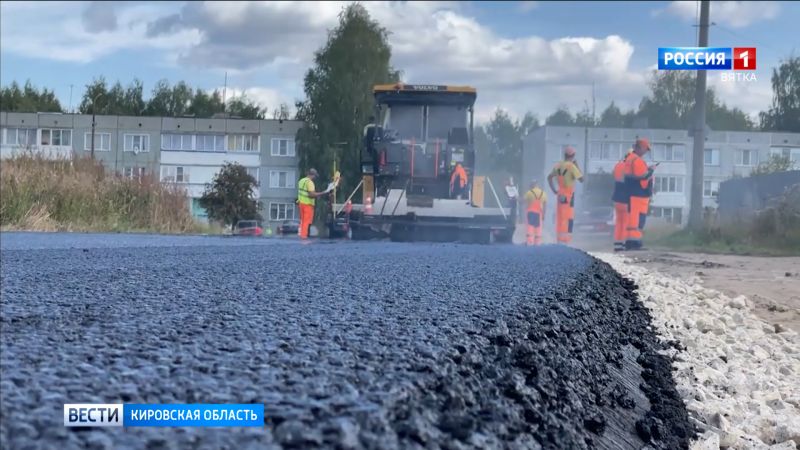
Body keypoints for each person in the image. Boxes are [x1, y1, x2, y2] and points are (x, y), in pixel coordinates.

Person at [623, 138, 656, 250]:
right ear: (640, 147)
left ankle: (632, 242)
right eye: (645, 149)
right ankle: (634, 243)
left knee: (634, 220)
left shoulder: (630, 159)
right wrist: (650, 172)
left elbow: (634, 175)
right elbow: (641, 176)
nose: (646, 152)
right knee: (637, 220)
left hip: (635, 194)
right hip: (638, 194)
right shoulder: (636, 160)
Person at [547, 146, 583, 244]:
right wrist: (577, 165)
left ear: (565, 155)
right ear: (573, 155)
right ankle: (565, 241)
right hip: (569, 196)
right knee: (568, 218)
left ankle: (560, 240)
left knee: (560, 217)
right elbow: (581, 179)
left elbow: (549, 177)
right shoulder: (571, 166)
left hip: (560, 194)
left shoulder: (558, 165)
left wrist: (554, 190)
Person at [296, 168, 328, 239]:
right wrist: (322, 193)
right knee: (306, 221)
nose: (315, 178)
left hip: (301, 203)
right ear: (312, 175)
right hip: (308, 204)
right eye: (315, 176)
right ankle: (304, 236)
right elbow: (311, 195)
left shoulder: (301, 180)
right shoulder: (310, 182)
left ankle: (302, 234)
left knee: (303, 221)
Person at [611, 150, 632, 252]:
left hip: (616, 198)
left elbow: (614, 176)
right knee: (625, 223)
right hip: (625, 199)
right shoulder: (629, 167)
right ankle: (623, 244)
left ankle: (617, 243)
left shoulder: (618, 165)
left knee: (618, 222)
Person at [524, 180, 547, 246]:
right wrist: (543, 215)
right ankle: (537, 243)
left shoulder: (529, 192)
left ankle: (530, 243)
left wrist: (516, 198)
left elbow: (523, 200)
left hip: (530, 213)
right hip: (539, 213)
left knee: (530, 228)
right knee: (538, 229)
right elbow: (545, 205)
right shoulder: (543, 193)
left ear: (532, 185)